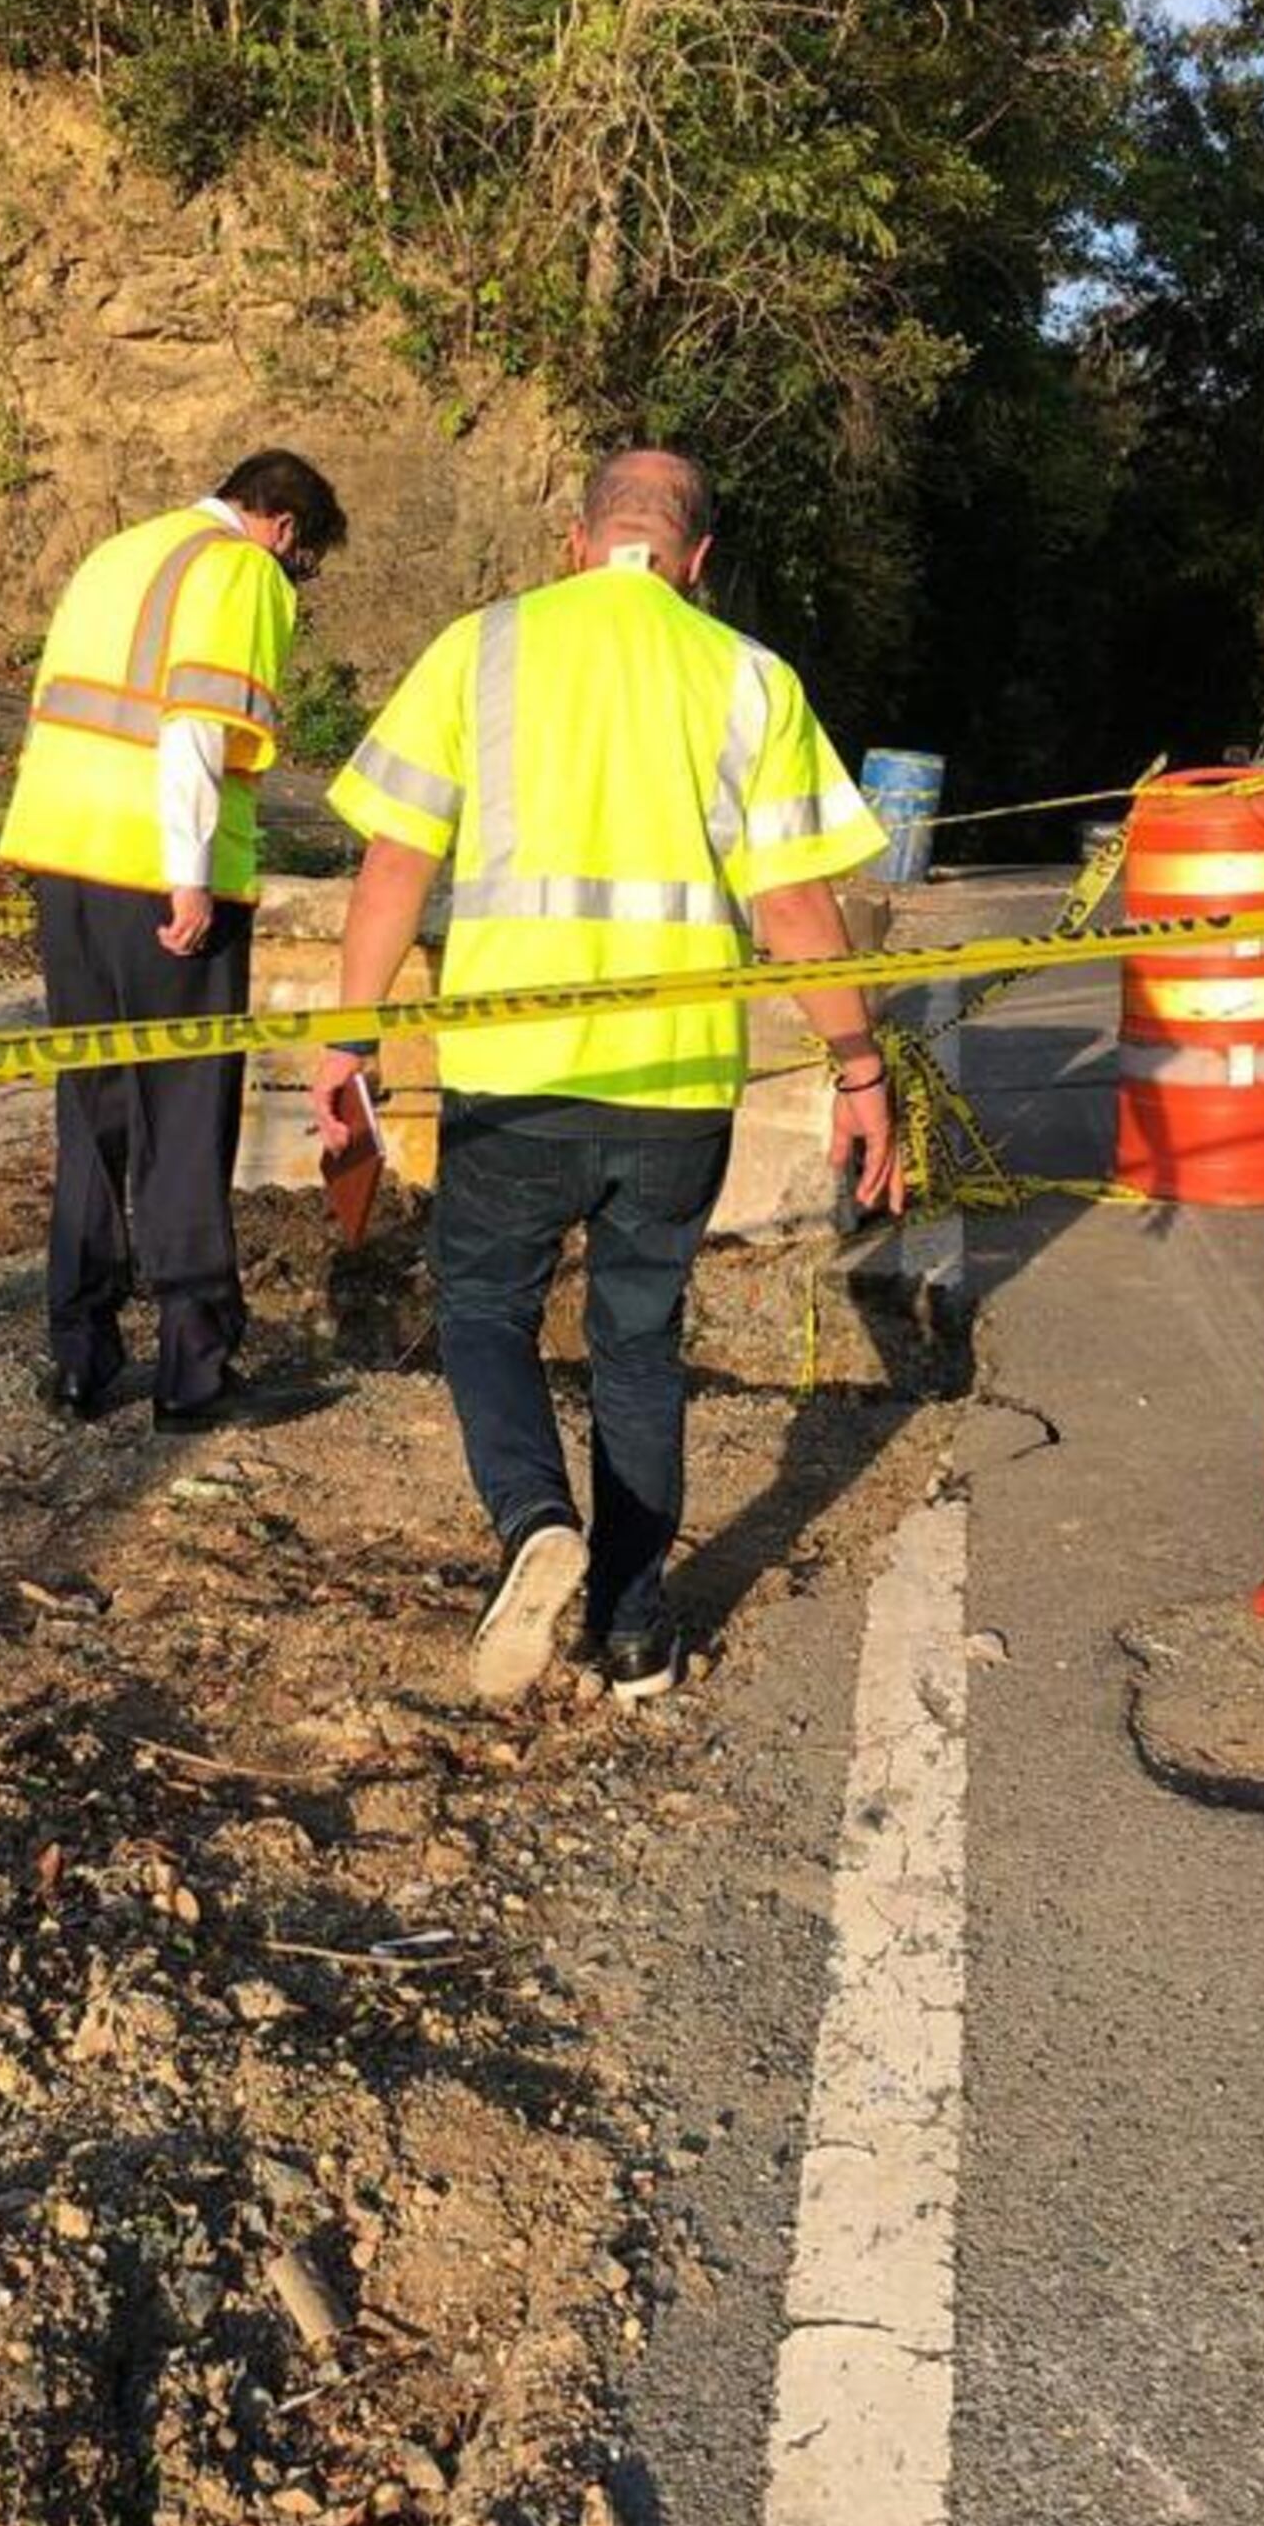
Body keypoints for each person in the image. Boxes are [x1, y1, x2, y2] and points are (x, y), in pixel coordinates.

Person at [312, 447, 900, 1703]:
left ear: (575, 541)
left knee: (483, 1310)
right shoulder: (750, 677)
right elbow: (796, 906)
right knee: (637, 1344)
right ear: (694, 561)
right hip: (678, 1082)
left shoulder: (481, 648)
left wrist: (347, 1040)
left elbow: (391, 873)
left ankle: (532, 1520)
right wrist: (860, 1070)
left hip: (513, 1074)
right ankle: (634, 1633)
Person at [0, 448, 348, 1430]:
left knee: (93, 1104)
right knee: (185, 1114)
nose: (294, 584)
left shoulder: (119, 552)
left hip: (66, 861)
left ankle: (80, 1352)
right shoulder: (237, 570)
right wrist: (188, 875)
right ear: (281, 525)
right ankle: (194, 1368)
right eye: (302, 563)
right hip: (160, 872)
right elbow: (196, 727)